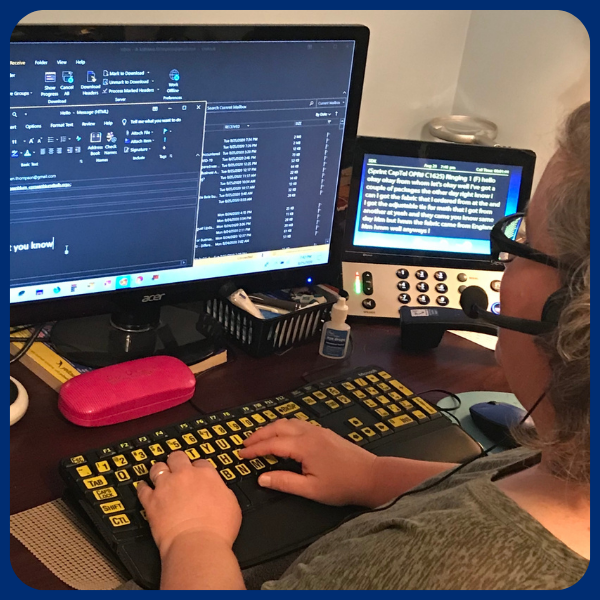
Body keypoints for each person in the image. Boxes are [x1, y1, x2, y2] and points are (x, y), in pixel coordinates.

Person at [136, 102, 590, 590]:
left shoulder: (435, 565)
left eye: (521, 239)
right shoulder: (571, 454)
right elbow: (493, 483)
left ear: (565, 311)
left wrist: (193, 537)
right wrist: (372, 475)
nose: (506, 263)